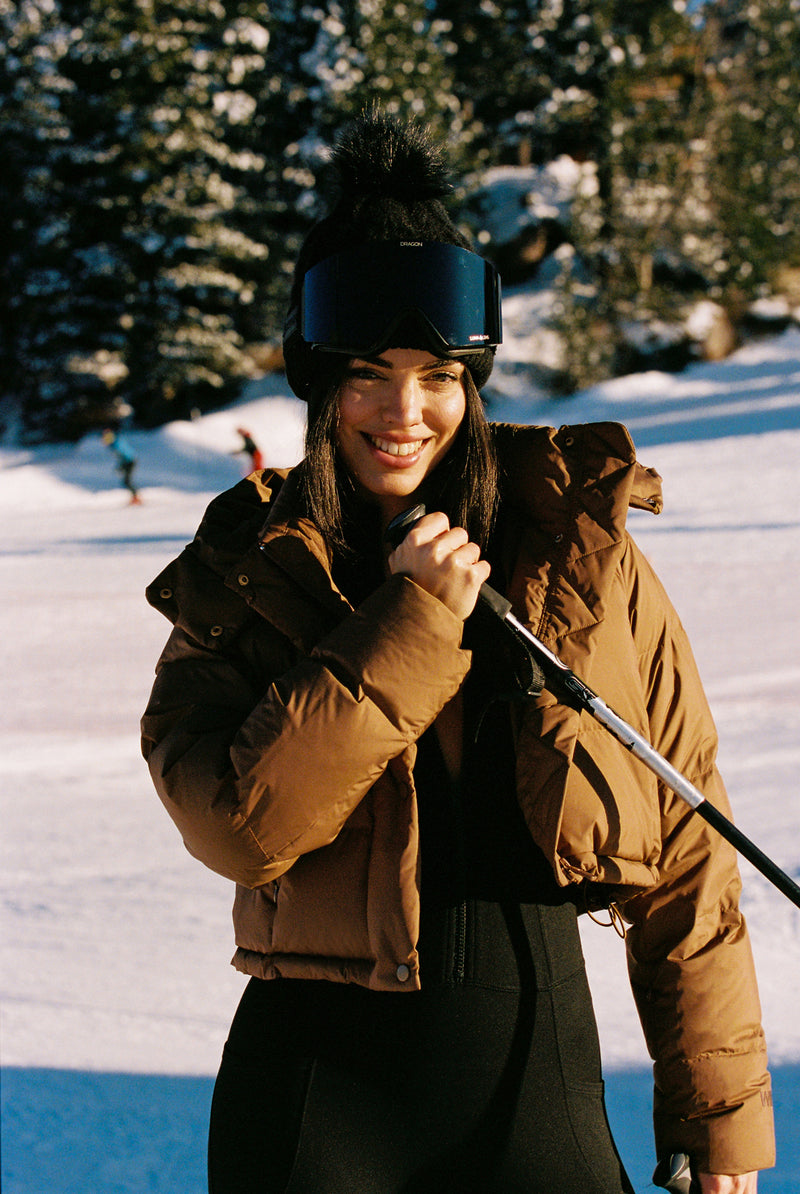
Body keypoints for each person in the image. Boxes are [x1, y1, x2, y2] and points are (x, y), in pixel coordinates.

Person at [141, 111, 774, 1194]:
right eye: (368, 372)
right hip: (314, 1107)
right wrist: (413, 622)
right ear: (317, 382)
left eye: (437, 374)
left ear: (471, 382)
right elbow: (241, 828)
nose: (406, 409)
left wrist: (716, 1113)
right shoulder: (240, 574)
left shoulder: (575, 551)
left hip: (536, 1085)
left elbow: (687, 848)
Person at [102, 427, 140, 503]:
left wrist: (121, 466)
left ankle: (136, 498)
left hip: (130, 461)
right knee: (126, 481)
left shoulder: (116, 444)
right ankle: (135, 497)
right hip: (129, 461)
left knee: (127, 481)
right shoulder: (116, 442)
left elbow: (124, 455)